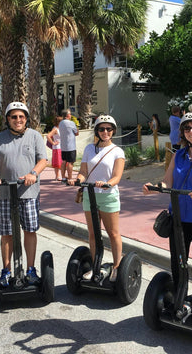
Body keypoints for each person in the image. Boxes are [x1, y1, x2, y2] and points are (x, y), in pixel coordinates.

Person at [143, 112, 192, 306]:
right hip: (179, 218)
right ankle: (179, 298)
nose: (191, 131)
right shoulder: (178, 155)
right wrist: (154, 188)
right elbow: (167, 182)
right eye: (187, 128)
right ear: (183, 132)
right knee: (179, 261)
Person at [0, 102, 48, 287]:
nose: (18, 120)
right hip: (5, 192)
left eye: (21, 117)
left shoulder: (35, 136)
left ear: (26, 118)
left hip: (29, 192)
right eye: (14, 117)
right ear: (8, 119)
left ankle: (30, 270)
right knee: (7, 233)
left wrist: (33, 174)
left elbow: (43, 160)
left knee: (30, 230)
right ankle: (6, 271)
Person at [69, 114, 125, 282]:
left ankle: (116, 267)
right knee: (93, 234)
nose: (105, 132)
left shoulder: (117, 151)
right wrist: (77, 180)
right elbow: (84, 173)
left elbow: (117, 176)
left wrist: (107, 183)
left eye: (108, 129)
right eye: (101, 129)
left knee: (113, 233)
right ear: (97, 131)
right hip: (89, 195)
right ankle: (95, 266)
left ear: (113, 131)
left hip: (108, 197)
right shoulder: (88, 149)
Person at [58, 109, 79, 180]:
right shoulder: (71, 123)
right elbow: (76, 133)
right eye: (70, 114)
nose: (71, 115)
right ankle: (70, 177)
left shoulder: (60, 123)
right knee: (70, 162)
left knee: (64, 161)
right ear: (67, 115)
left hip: (63, 146)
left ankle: (63, 177)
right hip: (71, 146)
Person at [46, 116, 63, 181]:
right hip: (57, 147)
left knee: (62, 162)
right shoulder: (55, 129)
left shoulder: (60, 128)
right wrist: (53, 143)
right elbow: (48, 136)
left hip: (61, 147)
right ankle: (57, 175)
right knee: (57, 162)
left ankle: (61, 175)